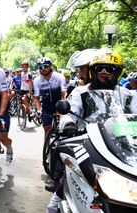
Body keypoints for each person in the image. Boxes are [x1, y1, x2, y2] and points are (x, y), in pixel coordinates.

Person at [47, 48, 131, 213]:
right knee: (68, 174)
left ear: (117, 73)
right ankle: (53, 205)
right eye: (100, 68)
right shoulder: (81, 92)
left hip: (123, 147)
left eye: (109, 69)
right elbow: (68, 113)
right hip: (86, 143)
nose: (104, 73)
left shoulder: (128, 95)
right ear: (93, 71)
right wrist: (69, 125)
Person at [33, 57, 67, 137]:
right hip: (46, 107)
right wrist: (38, 110)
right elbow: (36, 98)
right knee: (47, 129)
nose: (43, 69)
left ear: (50, 66)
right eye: (40, 67)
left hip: (59, 105)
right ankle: (47, 147)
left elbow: (64, 93)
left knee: (63, 129)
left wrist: (63, 108)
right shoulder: (37, 80)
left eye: (45, 66)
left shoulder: (59, 77)